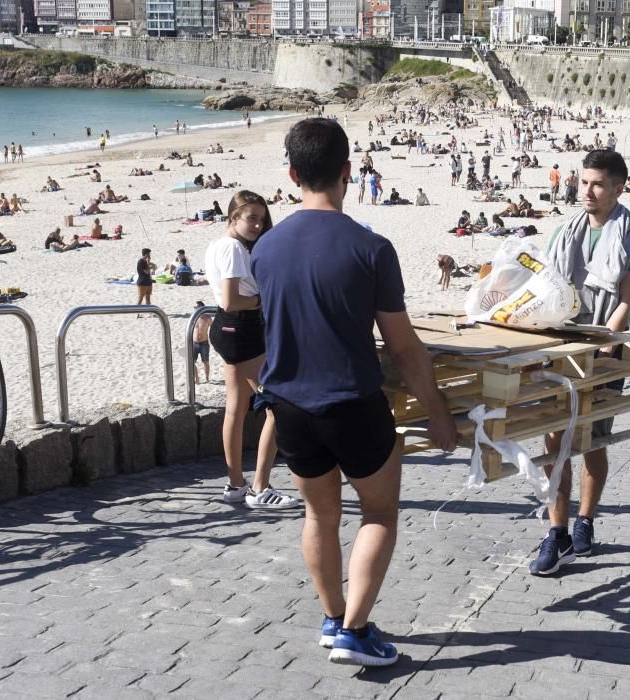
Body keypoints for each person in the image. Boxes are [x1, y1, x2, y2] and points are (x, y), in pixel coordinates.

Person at [251, 118, 456, 667]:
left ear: (292, 174)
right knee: (379, 514)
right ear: (348, 171)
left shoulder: (264, 249)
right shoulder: (371, 247)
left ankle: (332, 615)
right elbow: (406, 348)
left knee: (319, 517)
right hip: (351, 403)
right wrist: (437, 414)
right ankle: (356, 631)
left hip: (288, 406)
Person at [532, 149, 630, 576]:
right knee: (554, 440)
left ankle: (585, 520)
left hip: (604, 346)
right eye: (584, 181)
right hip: (562, 342)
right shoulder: (563, 232)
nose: (587, 190)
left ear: (619, 187)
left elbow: (625, 301)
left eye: (598, 183)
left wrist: (603, 343)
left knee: (593, 440)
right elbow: (548, 288)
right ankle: (557, 532)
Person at [204, 191, 299, 510]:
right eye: (251, 218)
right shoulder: (232, 248)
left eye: (261, 218)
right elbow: (232, 299)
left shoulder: (217, 245)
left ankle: (235, 484)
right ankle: (260, 487)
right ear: (234, 218)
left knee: (235, 408)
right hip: (242, 328)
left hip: (227, 328)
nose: (258, 225)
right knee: (277, 405)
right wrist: (262, 300)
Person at [192, 301, 212, 384]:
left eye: (197, 307)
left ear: (202, 308)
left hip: (204, 343)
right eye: (195, 308)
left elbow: (213, 329)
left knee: (205, 361)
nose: (196, 309)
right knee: (191, 362)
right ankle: (196, 378)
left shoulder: (208, 318)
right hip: (194, 343)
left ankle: (207, 378)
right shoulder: (193, 318)